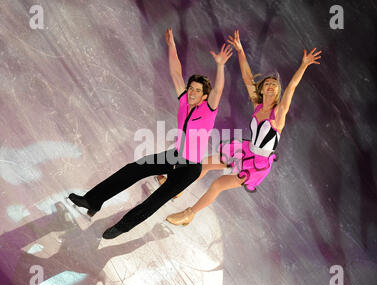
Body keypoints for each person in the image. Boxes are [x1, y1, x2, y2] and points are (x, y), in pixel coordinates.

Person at [68, 28, 233, 239]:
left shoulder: (208, 111)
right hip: (173, 155)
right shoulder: (184, 100)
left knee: (156, 200)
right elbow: (175, 73)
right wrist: (172, 46)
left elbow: (218, 91)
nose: (191, 92)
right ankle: (93, 200)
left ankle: (123, 227)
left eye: (197, 91)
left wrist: (220, 66)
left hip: (190, 168)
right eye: (191, 88)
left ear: (204, 96)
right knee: (132, 170)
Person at [166, 29, 321, 226]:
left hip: (256, 164)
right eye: (268, 84)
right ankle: (177, 187)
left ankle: (189, 214)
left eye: (275, 85)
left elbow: (291, 89)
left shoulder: (278, 115)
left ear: (277, 92)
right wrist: (240, 51)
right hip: (244, 150)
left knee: (218, 184)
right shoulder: (258, 107)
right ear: (262, 89)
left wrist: (304, 65)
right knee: (204, 164)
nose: (272, 86)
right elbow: (248, 78)